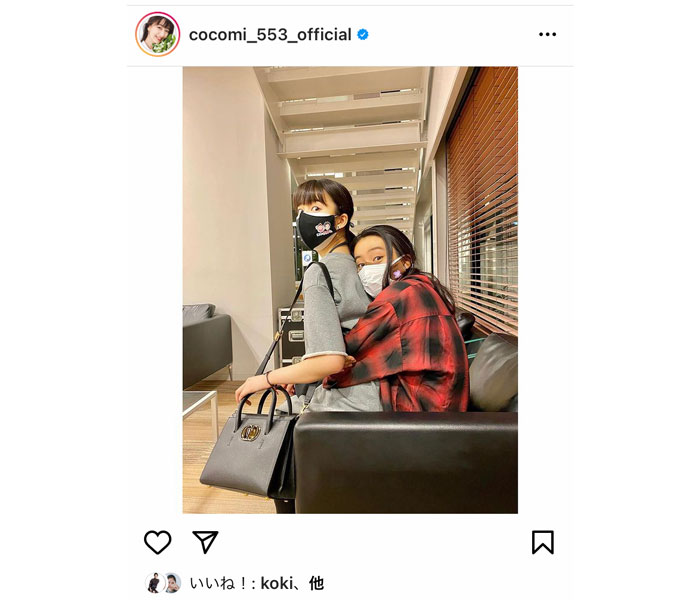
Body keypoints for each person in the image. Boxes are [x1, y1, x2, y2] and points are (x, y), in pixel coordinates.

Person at [234, 178, 381, 413]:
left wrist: (265, 379)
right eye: (300, 210)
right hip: (379, 391)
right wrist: (303, 372)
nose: (304, 218)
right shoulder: (362, 266)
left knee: (281, 418)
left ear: (341, 220)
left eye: (315, 208)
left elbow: (330, 361)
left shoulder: (320, 272)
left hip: (347, 400)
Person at [324, 225, 469, 411]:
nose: (367, 270)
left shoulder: (399, 297)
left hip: (421, 416)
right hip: (444, 409)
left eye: (377, 258)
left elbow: (343, 355)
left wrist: (313, 372)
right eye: (361, 265)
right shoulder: (421, 286)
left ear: (405, 262)